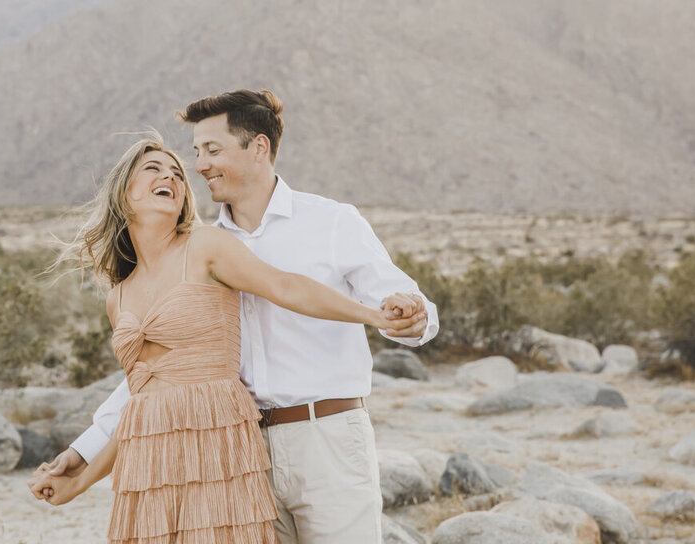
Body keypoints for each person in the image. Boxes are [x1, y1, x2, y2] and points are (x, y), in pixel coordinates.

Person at [32, 90, 438, 543]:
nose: (199, 165)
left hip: (326, 436)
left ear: (258, 148)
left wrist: (401, 317)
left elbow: (381, 301)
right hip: (239, 447)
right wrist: (84, 453)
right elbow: (152, 379)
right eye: (197, 154)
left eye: (211, 150)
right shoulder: (193, 247)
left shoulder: (330, 221)